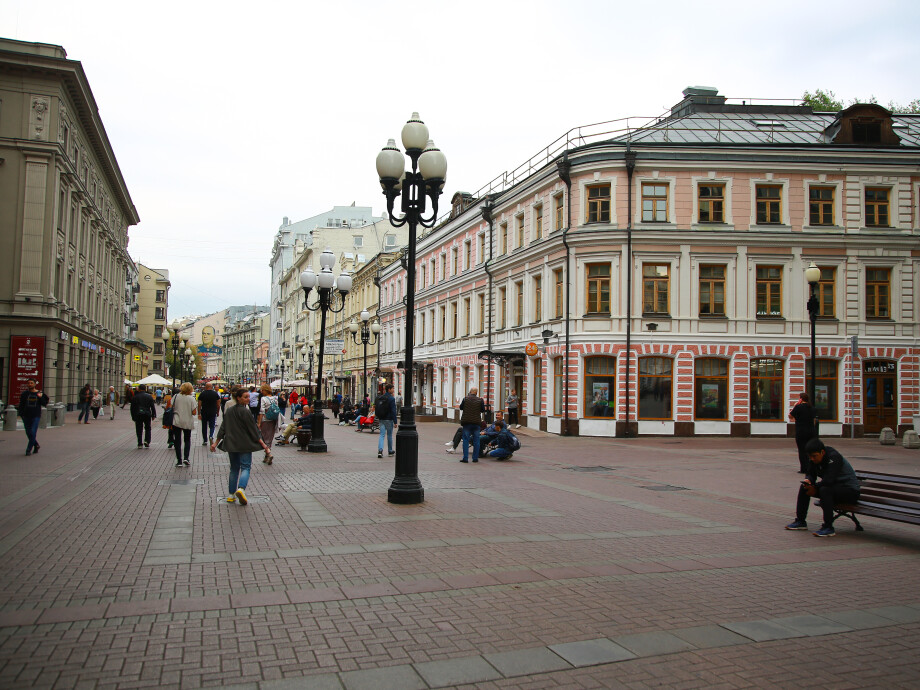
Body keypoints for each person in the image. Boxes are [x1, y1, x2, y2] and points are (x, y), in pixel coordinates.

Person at [785, 438, 861, 538]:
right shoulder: (813, 458)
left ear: (822, 452)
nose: (812, 459)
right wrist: (808, 481)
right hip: (833, 489)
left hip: (849, 491)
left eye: (814, 456)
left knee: (825, 490)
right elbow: (811, 474)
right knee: (804, 488)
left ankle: (828, 527)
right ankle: (800, 521)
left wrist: (815, 487)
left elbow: (829, 480)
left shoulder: (834, 458)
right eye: (810, 456)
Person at [211, 388, 273, 505]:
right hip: (244, 444)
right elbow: (253, 429)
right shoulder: (246, 412)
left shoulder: (229, 411)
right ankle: (241, 488)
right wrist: (263, 444)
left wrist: (216, 442)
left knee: (234, 468)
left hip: (231, 443)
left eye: (248, 397)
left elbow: (223, 427)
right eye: (245, 397)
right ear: (238, 398)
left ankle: (231, 495)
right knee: (246, 467)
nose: (248, 399)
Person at [18, 378, 48, 456]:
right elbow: (21, 404)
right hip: (26, 415)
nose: (30, 384)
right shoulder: (25, 394)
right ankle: (36, 445)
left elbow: (44, 403)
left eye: (31, 383)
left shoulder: (40, 393)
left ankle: (28, 449)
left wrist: (41, 397)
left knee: (33, 431)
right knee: (28, 432)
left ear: (35, 384)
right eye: (28, 383)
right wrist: (21, 413)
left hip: (36, 415)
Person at [789, 392, 818, 474]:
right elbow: (814, 420)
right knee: (810, 450)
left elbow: (790, 416)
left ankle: (804, 469)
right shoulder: (812, 408)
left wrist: (795, 406)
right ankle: (811, 467)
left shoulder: (798, 407)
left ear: (801, 399)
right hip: (811, 432)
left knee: (802, 450)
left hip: (801, 431)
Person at [171, 382, 198, 467]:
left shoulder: (175, 397)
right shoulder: (191, 399)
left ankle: (179, 460)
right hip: (187, 421)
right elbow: (194, 412)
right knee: (187, 439)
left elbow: (171, 406)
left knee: (177, 441)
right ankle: (186, 458)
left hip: (177, 421)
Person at [459, 386, 485, 463]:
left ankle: (465, 458)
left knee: (466, 440)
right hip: (476, 423)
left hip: (466, 422)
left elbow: (461, 407)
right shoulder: (480, 400)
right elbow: (483, 410)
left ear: (470, 392)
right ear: (476, 393)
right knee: (476, 440)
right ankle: (475, 458)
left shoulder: (465, 399)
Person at [130, 384, 157, 448]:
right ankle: (147, 441)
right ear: (145, 389)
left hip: (138, 414)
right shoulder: (149, 396)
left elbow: (132, 408)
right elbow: (152, 406)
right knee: (148, 428)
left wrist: (133, 416)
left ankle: (139, 443)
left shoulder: (135, 397)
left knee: (139, 428)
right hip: (147, 414)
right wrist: (153, 415)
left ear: (139, 389)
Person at [257, 383, 278, 464]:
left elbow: (262, 411)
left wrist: (259, 422)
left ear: (265, 390)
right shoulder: (275, 398)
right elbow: (277, 409)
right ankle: (266, 456)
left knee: (264, 438)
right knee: (270, 438)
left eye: (262, 390)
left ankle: (268, 453)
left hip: (265, 420)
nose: (261, 391)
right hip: (273, 420)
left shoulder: (263, 399)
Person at [375, 384, 397, 458]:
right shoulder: (391, 399)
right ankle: (390, 450)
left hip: (381, 418)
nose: (393, 390)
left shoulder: (381, 397)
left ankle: (380, 450)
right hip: (389, 419)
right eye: (392, 388)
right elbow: (393, 411)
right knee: (389, 435)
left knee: (382, 435)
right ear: (389, 389)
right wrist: (395, 421)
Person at [197, 381, 221, 446]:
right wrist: (218, 412)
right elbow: (218, 404)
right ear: (211, 387)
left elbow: (199, 404)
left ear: (205, 387)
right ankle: (211, 436)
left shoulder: (202, 394)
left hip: (204, 412)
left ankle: (205, 440)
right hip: (213, 412)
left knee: (204, 426)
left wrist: (199, 413)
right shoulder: (215, 394)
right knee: (212, 425)